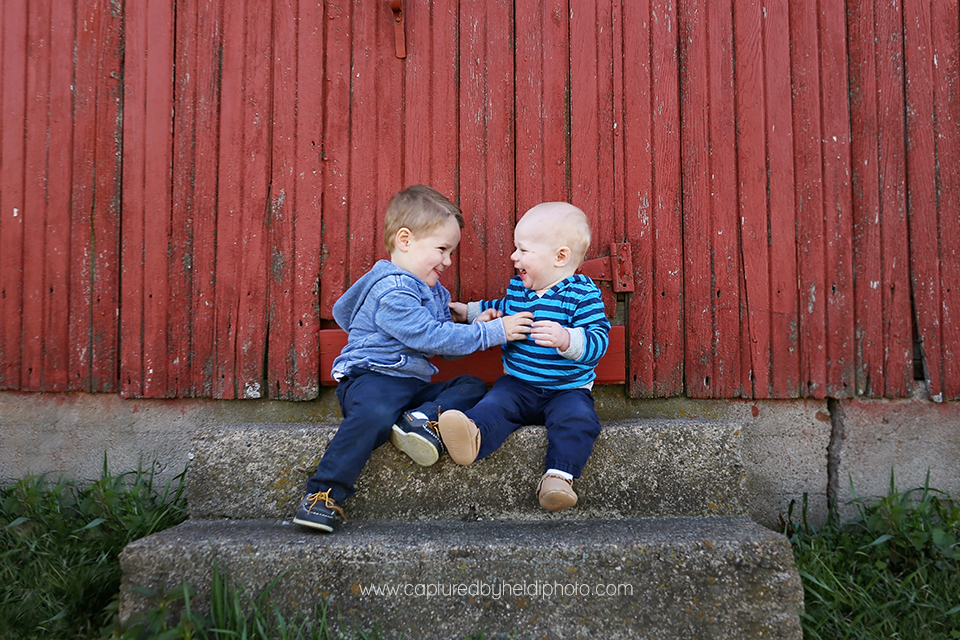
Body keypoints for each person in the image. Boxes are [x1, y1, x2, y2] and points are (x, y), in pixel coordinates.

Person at [294, 185, 532, 532]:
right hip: (372, 380)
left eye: (451, 252)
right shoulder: (393, 289)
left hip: (408, 386)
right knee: (373, 415)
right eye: (442, 250)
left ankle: (417, 421)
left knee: (472, 385)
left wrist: (472, 320)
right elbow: (428, 336)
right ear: (404, 240)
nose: (448, 261)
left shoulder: (430, 289)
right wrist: (492, 334)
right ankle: (322, 495)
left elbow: (435, 326)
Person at [441, 202, 610, 511]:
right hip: (518, 384)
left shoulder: (582, 294)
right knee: (494, 404)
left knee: (578, 420)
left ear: (560, 257)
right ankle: (472, 436)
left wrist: (566, 338)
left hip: (567, 389)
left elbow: (599, 339)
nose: (513, 257)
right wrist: (472, 312)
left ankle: (558, 477)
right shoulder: (520, 288)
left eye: (523, 250)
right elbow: (503, 306)